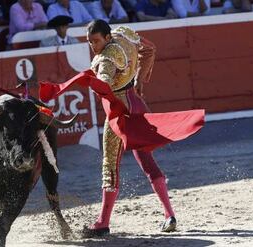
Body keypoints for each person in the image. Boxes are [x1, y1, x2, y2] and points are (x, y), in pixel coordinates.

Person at [81, 20, 177, 237]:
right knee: (147, 162)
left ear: (107, 38)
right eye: (89, 42)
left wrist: (94, 81)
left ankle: (103, 222)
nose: (93, 46)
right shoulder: (124, 34)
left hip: (119, 114)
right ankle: (169, 215)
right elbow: (150, 48)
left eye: (96, 41)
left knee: (110, 166)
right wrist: (139, 79)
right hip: (136, 105)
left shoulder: (105, 58)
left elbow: (104, 80)